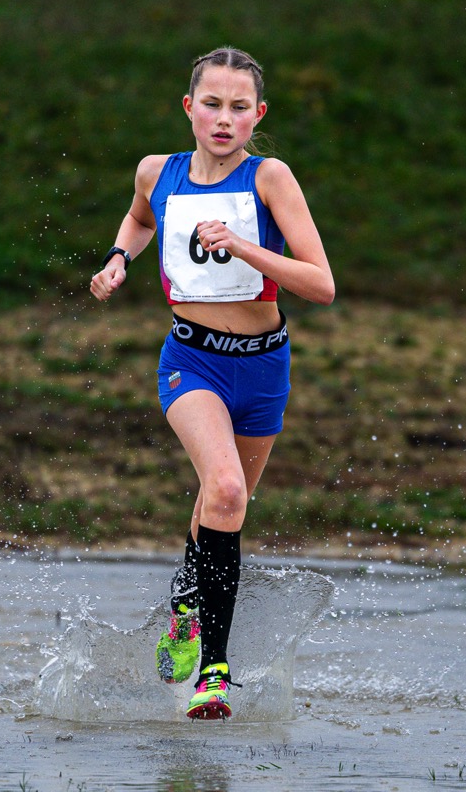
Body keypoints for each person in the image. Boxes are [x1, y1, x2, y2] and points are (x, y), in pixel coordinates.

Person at [89, 47, 335, 720]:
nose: (223, 119)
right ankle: (215, 674)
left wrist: (245, 247)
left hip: (263, 365)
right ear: (188, 108)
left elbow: (321, 284)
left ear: (257, 115)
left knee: (224, 504)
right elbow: (140, 219)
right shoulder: (156, 172)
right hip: (191, 361)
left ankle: (184, 603)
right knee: (224, 489)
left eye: (238, 107)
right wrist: (118, 258)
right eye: (212, 104)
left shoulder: (270, 178)